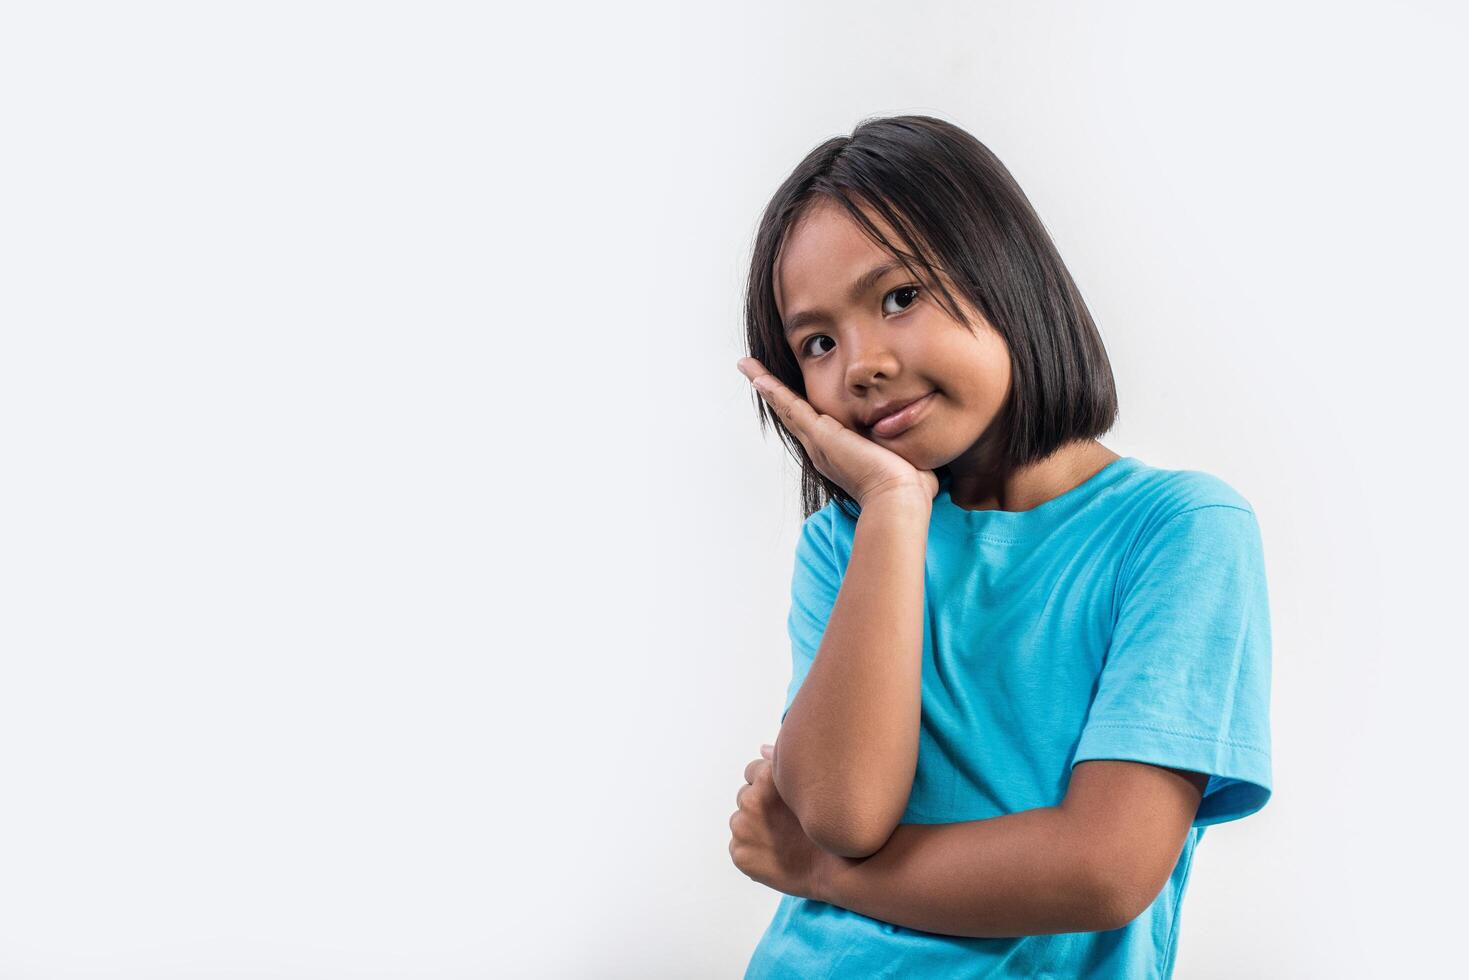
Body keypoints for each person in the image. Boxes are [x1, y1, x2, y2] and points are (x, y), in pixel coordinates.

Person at [727, 114, 1272, 979]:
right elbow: (843, 810)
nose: (861, 363)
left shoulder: (1176, 530)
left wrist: (818, 873)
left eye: (899, 296)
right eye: (818, 344)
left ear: (1005, 274)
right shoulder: (844, 545)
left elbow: (1101, 869)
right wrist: (895, 508)